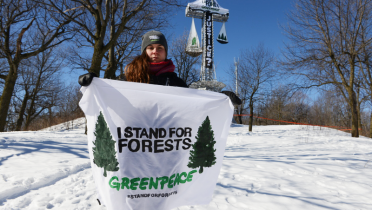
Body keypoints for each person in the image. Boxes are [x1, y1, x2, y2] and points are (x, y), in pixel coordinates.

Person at [79, 30, 241, 105]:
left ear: (165, 52)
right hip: (133, 140)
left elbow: (195, 105)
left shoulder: (176, 82)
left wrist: (221, 98)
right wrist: (93, 83)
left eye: (160, 48)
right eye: (150, 48)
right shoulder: (127, 78)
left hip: (164, 144)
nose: (155, 51)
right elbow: (108, 98)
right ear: (144, 51)